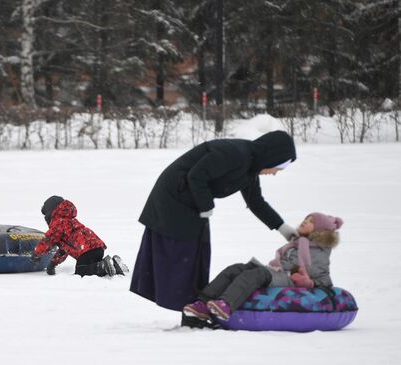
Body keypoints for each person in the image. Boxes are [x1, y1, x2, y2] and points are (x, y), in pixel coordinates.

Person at [130, 131, 298, 316]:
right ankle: (190, 309)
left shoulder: (250, 167)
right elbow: (196, 175)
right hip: (173, 198)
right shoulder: (235, 153)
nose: (274, 173)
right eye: (278, 167)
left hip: (189, 202)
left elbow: (256, 202)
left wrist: (283, 228)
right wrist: (206, 205)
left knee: (197, 253)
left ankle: (194, 308)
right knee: (184, 252)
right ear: (271, 156)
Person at [183, 212, 343, 321]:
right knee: (236, 269)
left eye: (311, 222)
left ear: (320, 231)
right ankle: (203, 304)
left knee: (256, 275)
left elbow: (321, 276)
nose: (305, 221)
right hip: (279, 272)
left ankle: (226, 305)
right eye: (306, 219)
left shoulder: (320, 250)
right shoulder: (298, 243)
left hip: (291, 279)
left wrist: (309, 283)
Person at [31, 195, 129, 277]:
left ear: (51, 212)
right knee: (93, 267)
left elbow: (49, 240)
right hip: (97, 247)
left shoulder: (58, 224)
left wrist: (37, 253)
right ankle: (114, 265)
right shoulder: (70, 221)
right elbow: (64, 250)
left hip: (86, 251)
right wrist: (53, 263)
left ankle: (102, 265)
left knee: (81, 272)